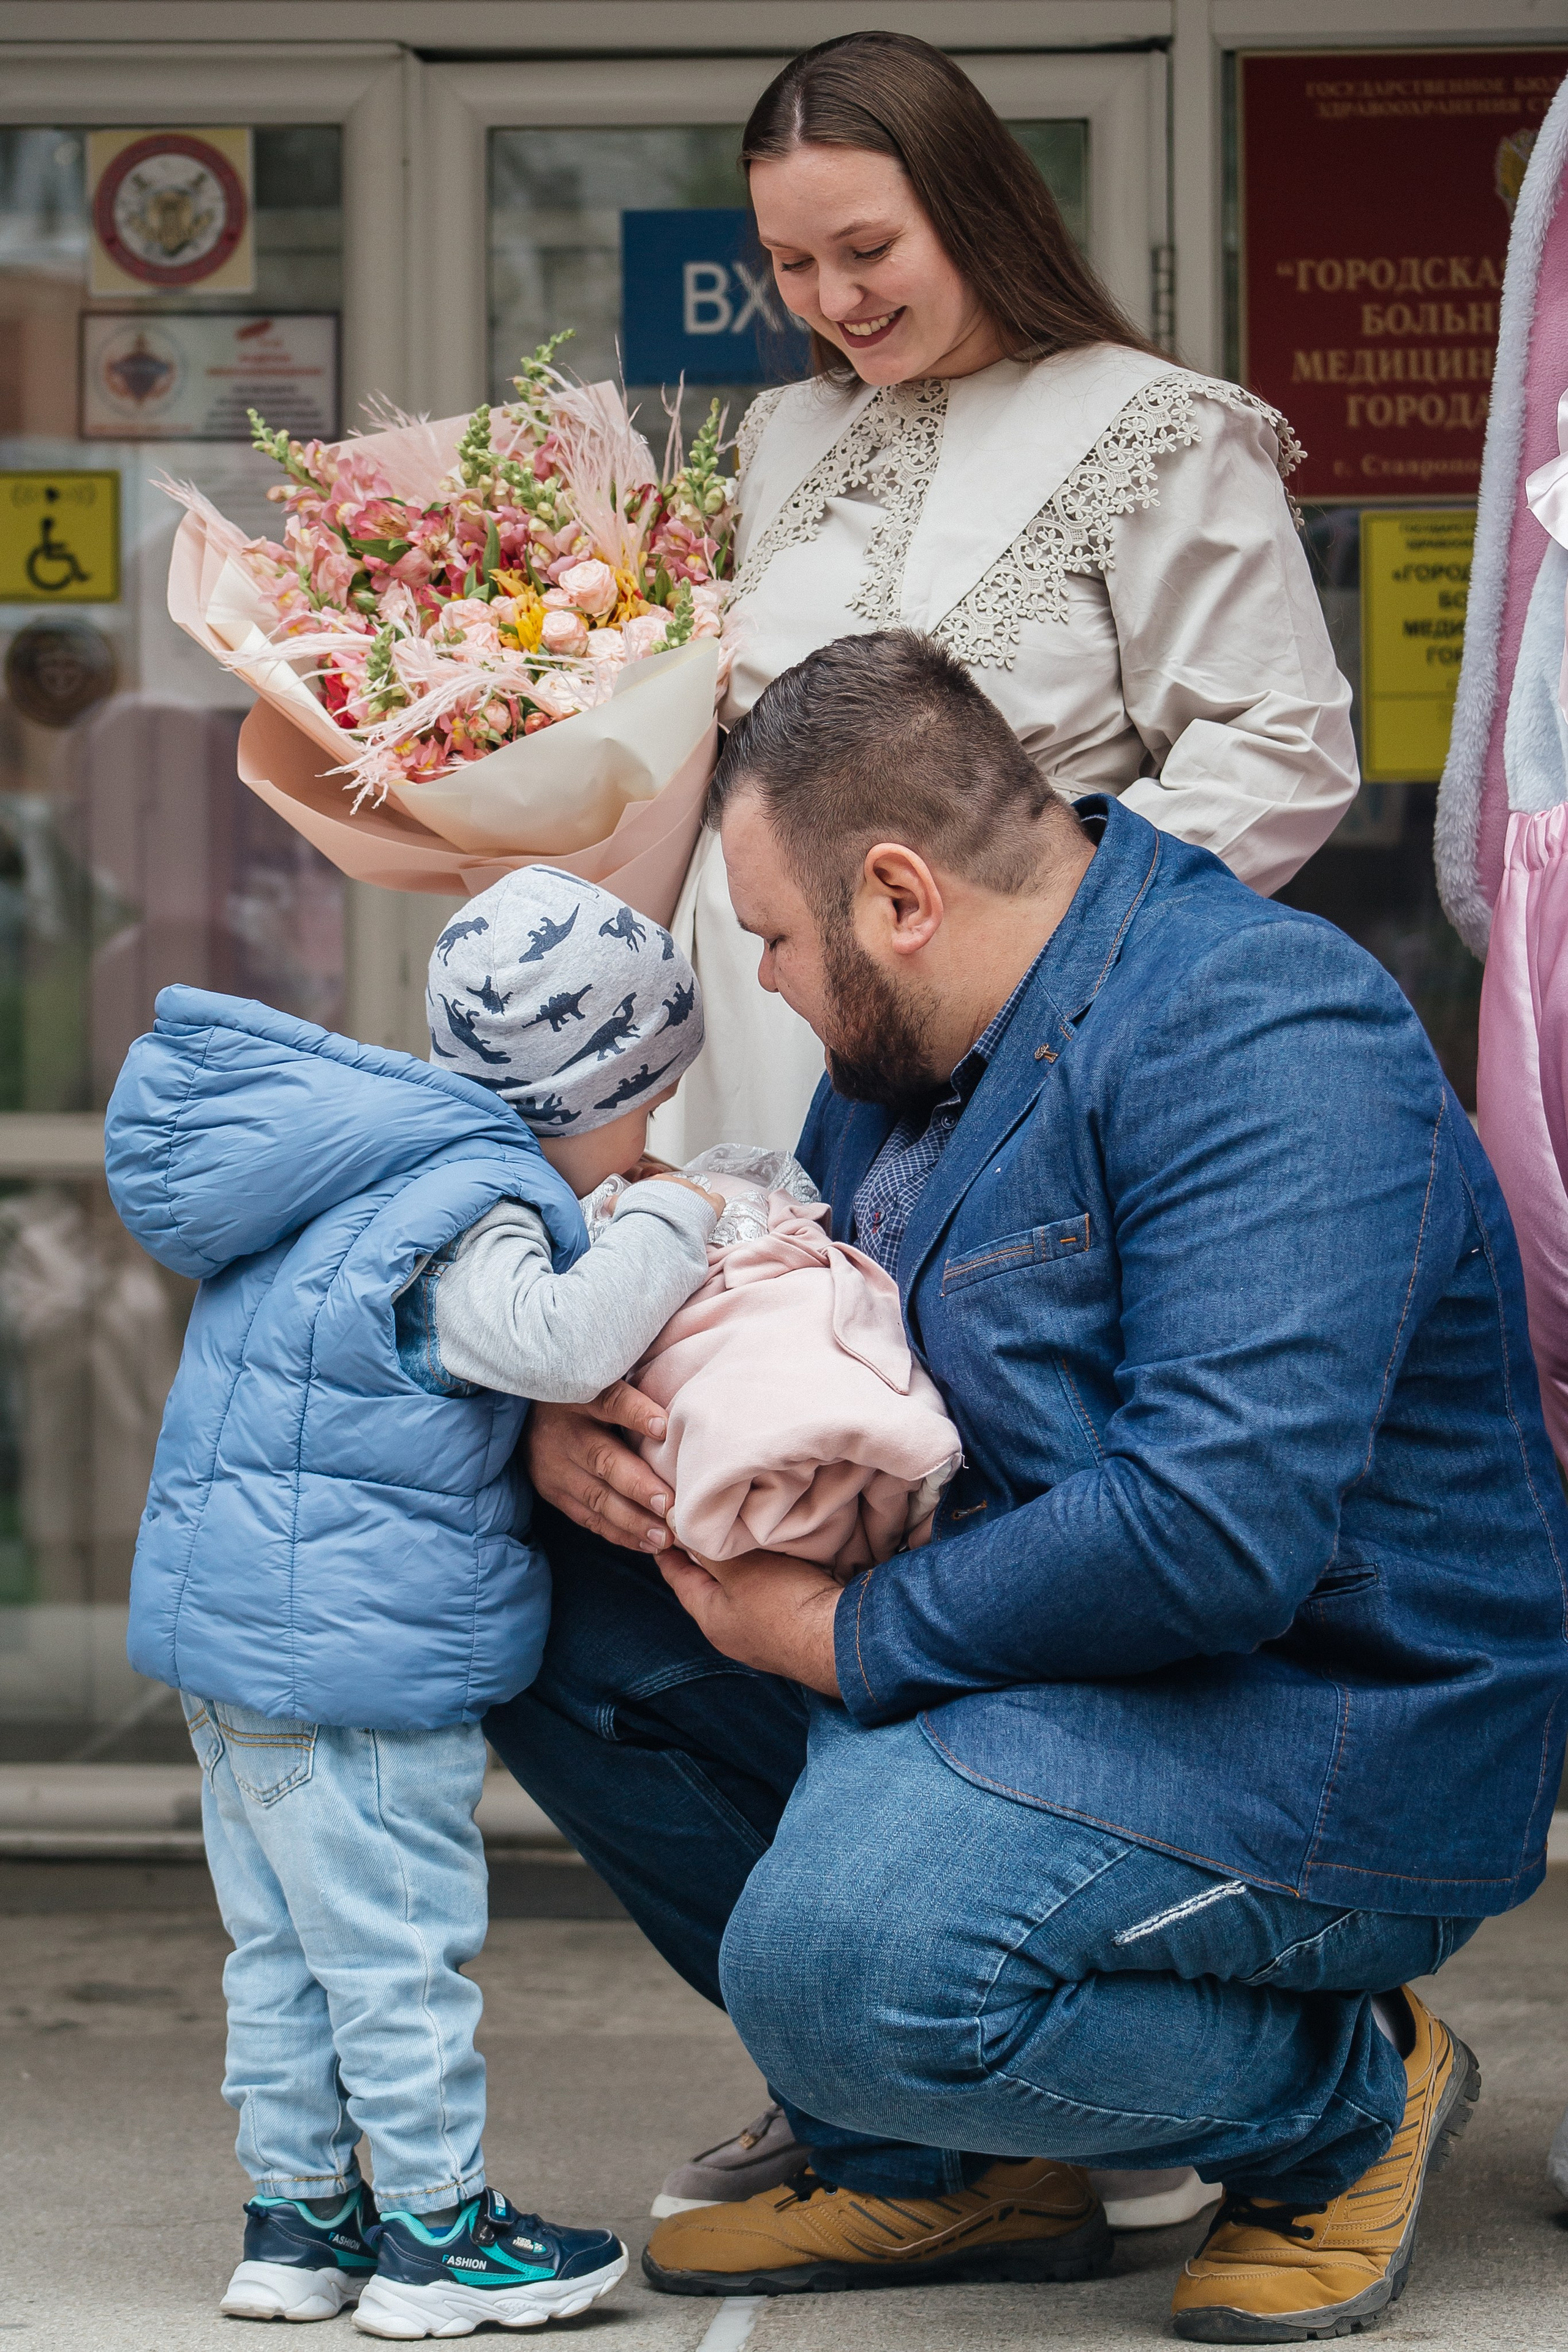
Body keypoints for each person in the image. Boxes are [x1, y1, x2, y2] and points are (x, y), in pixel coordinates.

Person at [488, 631, 1568, 2342]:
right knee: (528, 1589)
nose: (759, 980)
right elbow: (819, 1355)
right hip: (1039, 1664)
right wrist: (595, 1430)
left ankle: (1344, 2101)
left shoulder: (1267, 1027)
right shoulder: (899, 1069)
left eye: (771, 935)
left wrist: (840, 1640)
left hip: (1318, 1720)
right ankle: (952, 2161)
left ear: (900, 896)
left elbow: (1212, 1535)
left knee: (846, 1965)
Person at [104, 868, 725, 2339]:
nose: (645, 1146)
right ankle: (441, 2234)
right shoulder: (475, 1204)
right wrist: (676, 1219)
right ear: (588, 1094)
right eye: (647, 1111)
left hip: (239, 1641)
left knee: (288, 1952)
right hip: (354, 1663)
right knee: (393, 1950)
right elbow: (559, 1341)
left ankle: (299, 2225)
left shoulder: (350, 1177)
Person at [649, 25, 1357, 1201]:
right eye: (791, 261)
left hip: (1008, 1043)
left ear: (971, 206)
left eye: (868, 248)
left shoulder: (1159, 427)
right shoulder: (780, 436)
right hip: (741, 1025)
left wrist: (1054, 938)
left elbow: (1282, 747)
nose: (834, 299)